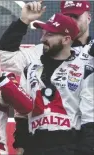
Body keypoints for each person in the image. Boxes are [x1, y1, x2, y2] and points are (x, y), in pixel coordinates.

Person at [0, 1, 94, 154]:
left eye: (75, 16)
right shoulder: (41, 51)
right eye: (66, 16)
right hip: (39, 141)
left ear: (89, 17)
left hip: (77, 141)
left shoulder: (91, 54)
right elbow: (4, 58)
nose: (71, 20)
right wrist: (23, 21)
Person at [21, 12, 94, 155]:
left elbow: (90, 117)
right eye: (43, 33)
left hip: (69, 145)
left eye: (49, 34)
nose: (42, 39)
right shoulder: (30, 68)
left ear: (66, 39)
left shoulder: (84, 69)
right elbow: (21, 112)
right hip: (34, 146)